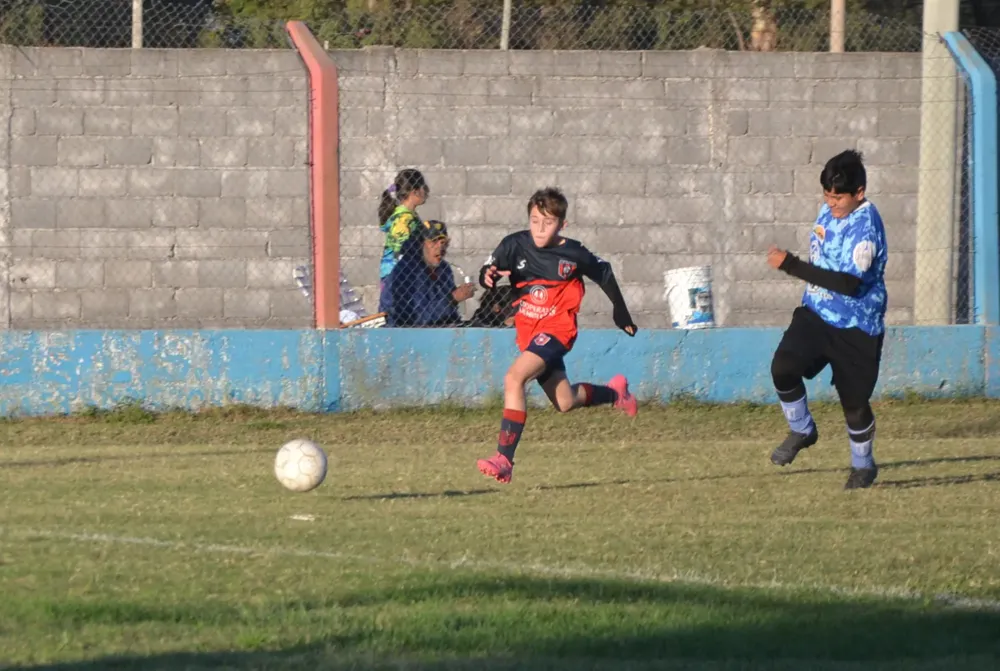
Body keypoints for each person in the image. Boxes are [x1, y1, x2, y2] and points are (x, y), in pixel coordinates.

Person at [475, 187, 639, 484]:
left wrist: (621, 312)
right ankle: (616, 393)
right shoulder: (514, 245)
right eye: (535, 220)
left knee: (514, 378)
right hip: (529, 332)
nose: (539, 228)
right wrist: (486, 276)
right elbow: (489, 267)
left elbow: (604, 272)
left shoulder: (572, 252)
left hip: (557, 331)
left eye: (547, 222)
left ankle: (504, 459)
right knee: (565, 401)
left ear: (562, 224)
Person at [766, 149, 888, 490]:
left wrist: (791, 265)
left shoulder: (866, 228)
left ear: (859, 193)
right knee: (783, 367)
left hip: (857, 324)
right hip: (816, 313)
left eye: (839, 197)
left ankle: (863, 466)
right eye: (827, 195)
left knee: (854, 404)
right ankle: (802, 429)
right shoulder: (828, 210)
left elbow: (849, 284)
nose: (832, 203)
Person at [385, 219, 476, 327]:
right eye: (434, 242)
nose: (440, 247)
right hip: (407, 330)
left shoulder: (444, 268)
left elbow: (450, 311)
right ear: (420, 244)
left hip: (439, 328)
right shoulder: (407, 271)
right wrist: (452, 299)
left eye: (443, 242)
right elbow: (417, 317)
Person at [378, 169, 429, 313]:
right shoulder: (403, 219)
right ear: (415, 191)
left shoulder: (409, 216)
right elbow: (401, 249)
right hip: (398, 275)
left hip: (402, 274)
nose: (426, 192)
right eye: (423, 188)